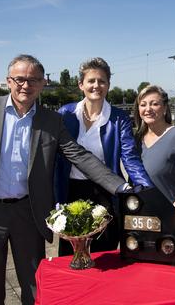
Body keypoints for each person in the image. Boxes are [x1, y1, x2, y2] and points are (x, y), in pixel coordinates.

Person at [0, 54, 130, 305]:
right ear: (8, 81)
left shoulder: (51, 120)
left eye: (33, 80)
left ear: (43, 83)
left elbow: (79, 156)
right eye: (19, 79)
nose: (26, 85)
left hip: (29, 213)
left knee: (35, 289)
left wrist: (120, 186)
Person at [54, 57, 153, 256]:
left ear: (108, 85)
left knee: (104, 258)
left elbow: (130, 159)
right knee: (70, 255)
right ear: (81, 84)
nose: (96, 85)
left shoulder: (119, 119)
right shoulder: (65, 114)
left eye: (102, 81)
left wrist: (148, 192)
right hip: (71, 193)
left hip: (106, 195)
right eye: (91, 81)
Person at [132, 84, 175, 210]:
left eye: (154, 104)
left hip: (169, 215)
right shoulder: (137, 139)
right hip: (141, 215)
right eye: (143, 104)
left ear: (164, 108)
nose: (148, 109)